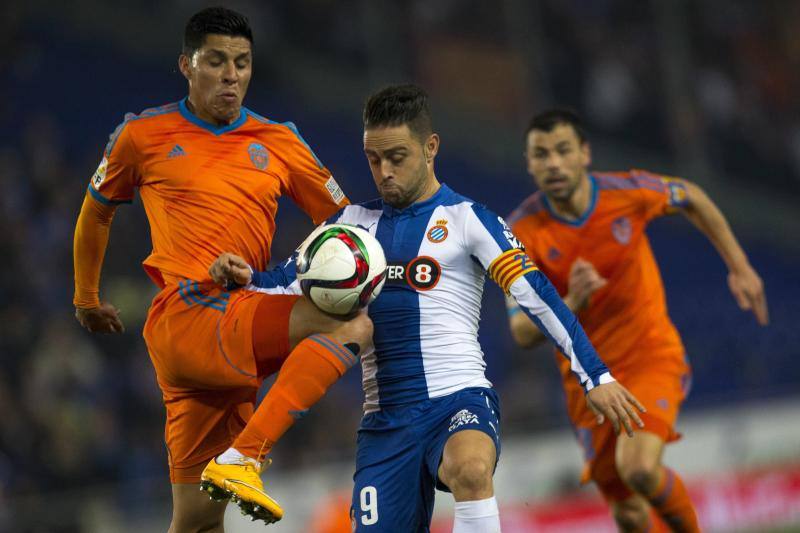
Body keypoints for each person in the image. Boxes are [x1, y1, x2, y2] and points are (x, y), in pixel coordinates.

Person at [210, 84, 645, 532]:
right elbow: (285, 283)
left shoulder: (469, 219)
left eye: (397, 157)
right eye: (373, 159)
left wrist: (596, 375)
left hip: (458, 400)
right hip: (384, 423)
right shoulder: (350, 226)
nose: (384, 172)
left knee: (471, 469)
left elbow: (537, 294)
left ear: (430, 146)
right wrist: (246, 277)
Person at [72, 7, 373, 530]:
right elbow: (96, 210)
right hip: (188, 313)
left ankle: (239, 461)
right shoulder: (143, 136)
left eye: (242, 62)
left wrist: (276, 275)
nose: (231, 74)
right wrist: (85, 298)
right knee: (349, 323)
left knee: (197, 521)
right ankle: (246, 457)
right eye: (216, 61)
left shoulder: (279, 140)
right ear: (186, 65)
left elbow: (345, 230)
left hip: (233, 322)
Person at [505, 109, 769, 532]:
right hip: (588, 384)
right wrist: (570, 300)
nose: (553, 162)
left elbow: (691, 196)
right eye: (541, 154)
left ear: (584, 154)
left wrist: (739, 266)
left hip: (649, 354)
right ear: (529, 163)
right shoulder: (520, 233)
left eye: (562, 150)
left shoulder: (626, 192)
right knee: (628, 512)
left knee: (640, 468)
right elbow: (520, 332)